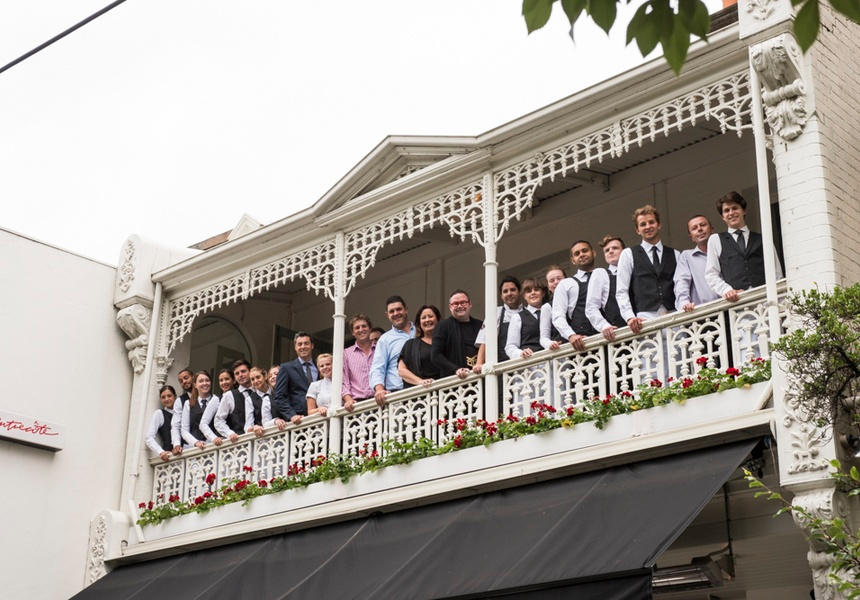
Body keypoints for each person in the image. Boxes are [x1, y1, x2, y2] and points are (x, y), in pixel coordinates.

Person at [705, 191, 782, 301]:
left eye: (735, 208)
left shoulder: (763, 239)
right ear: (722, 216)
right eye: (726, 210)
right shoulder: (716, 240)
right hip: (738, 304)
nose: (731, 213)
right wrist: (726, 290)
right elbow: (711, 274)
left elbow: (777, 273)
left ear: (744, 210)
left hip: (765, 299)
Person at [616, 205, 680, 334]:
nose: (648, 227)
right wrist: (629, 317)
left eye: (651, 222)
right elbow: (622, 290)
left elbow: (682, 286)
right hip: (645, 318)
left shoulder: (675, 254)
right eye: (643, 224)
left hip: (673, 315)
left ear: (659, 225)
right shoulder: (628, 254)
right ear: (637, 230)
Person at [369, 296, 416, 406]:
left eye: (399, 309)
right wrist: (379, 390)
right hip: (398, 395)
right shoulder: (385, 339)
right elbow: (377, 368)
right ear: (387, 315)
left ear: (406, 310)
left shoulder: (419, 331)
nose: (396, 313)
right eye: (391, 311)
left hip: (423, 389)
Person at [552, 241, 599, 351]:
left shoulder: (605, 276)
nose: (581, 255)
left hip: (609, 337)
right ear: (573, 260)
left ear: (593, 253)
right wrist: (571, 335)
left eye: (585, 251)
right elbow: (558, 316)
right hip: (582, 344)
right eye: (577, 254)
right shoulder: (565, 284)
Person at [431, 289, 483, 379]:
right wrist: (455, 369)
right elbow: (436, 355)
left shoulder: (480, 325)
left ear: (470, 304)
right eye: (455, 303)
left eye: (463, 302)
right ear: (450, 307)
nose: (459, 306)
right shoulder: (443, 326)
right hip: (456, 382)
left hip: (480, 378)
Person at [585, 235, 628, 341]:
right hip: (617, 336)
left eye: (615, 248)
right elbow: (591, 307)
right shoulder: (601, 274)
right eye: (607, 250)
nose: (610, 252)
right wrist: (604, 326)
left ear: (624, 251)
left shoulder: (633, 271)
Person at [675, 215, 721, 312]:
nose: (699, 229)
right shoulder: (686, 257)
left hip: (731, 307)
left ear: (712, 229)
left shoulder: (724, 251)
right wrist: (684, 303)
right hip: (704, 314)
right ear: (691, 237)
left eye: (703, 225)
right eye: (694, 228)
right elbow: (682, 283)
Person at [475, 276, 522, 368]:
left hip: (524, 365)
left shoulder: (527, 313)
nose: (509, 293)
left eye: (513, 290)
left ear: (519, 292)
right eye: (505, 291)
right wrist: (479, 364)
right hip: (502, 367)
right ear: (501, 296)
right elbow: (485, 341)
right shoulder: (495, 313)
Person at [506, 278, 558, 359]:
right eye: (528, 291)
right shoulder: (517, 317)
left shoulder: (553, 312)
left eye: (536, 290)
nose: (533, 293)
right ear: (524, 296)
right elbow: (510, 347)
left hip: (556, 359)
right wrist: (520, 353)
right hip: (532, 363)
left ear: (543, 293)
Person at [273, 332, 317, 425]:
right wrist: (291, 415)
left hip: (320, 416)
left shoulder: (320, 367)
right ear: (295, 347)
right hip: (299, 420)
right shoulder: (286, 368)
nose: (303, 347)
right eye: (300, 344)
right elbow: (279, 396)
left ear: (312, 345)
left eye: (306, 343)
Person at [398, 305, 443, 387]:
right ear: (419, 323)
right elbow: (402, 370)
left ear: (438, 320)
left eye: (431, 316)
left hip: (447, 389)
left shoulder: (447, 342)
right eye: (423, 318)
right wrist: (420, 381)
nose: (427, 320)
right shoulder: (411, 345)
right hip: (422, 391)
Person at [341, 313, 375, 412]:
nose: (361, 329)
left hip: (379, 399)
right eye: (357, 328)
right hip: (357, 404)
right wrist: (348, 399)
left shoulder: (379, 349)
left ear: (370, 328)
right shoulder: (346, 353)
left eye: (364, 326)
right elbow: (344, 381)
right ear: (353, 332)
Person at [181, 371, 219, 449]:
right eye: (201, 381)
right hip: (194, 448)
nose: (205, 383)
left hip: (214, 445)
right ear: (195, 385)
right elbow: (184, 430)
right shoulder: (188, 403)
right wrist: (196, 442)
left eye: (207, 380)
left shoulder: (217, 400)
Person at [145, 385, 179, 462]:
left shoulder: (181, 413)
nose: (166, 399)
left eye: (169, 396)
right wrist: (161, 452)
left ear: (175, 396)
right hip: (170, 459)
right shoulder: (160, 413)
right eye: (163, 397)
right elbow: (149, 438)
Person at [541, 264, 567, 346]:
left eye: (559, 278)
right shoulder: (547, 307)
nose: (556, 282)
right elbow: (544, 338)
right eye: (551, 281)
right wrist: (551, 343)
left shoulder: (575, 299)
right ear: (548, 286)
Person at [171, 368, 194, 455]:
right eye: (180, 381)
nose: (184, 382)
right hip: (189, 445)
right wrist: (176, 444)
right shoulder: (180, 401)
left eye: (186, 378)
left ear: (193, 377)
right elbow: (176, 425)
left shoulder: (207, 396)